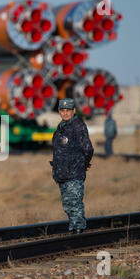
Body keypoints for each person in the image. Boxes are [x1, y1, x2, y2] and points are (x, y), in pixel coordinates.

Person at [50, 98, 94, 234]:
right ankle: (75, 229)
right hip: (62, 173)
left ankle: (79, 232)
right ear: (59, 112)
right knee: (68, 206)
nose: (65, 113)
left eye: (68, 110)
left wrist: (84, 164)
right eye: (62, 110)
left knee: (75, 204)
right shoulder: (61, 127)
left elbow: (88, 148)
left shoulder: (78, 126)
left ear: (73, 111)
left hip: (74, 172)